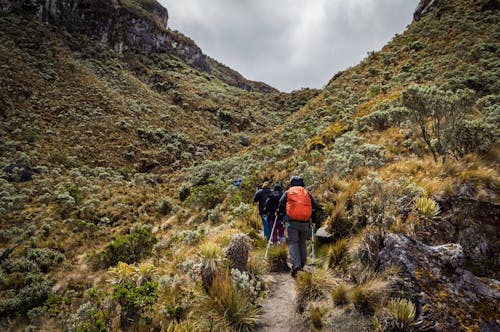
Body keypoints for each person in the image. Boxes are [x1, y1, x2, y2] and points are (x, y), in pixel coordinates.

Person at [277, 176, 318, 278]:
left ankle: (296, 266)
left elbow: (281, 205)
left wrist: (280, 215)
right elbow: (313, 207)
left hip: (293, 222)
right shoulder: (306, 193)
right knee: (302, 243)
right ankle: (302, 265)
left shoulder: (288, 192)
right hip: (305, 222)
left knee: (293, 243)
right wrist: (314, 221)